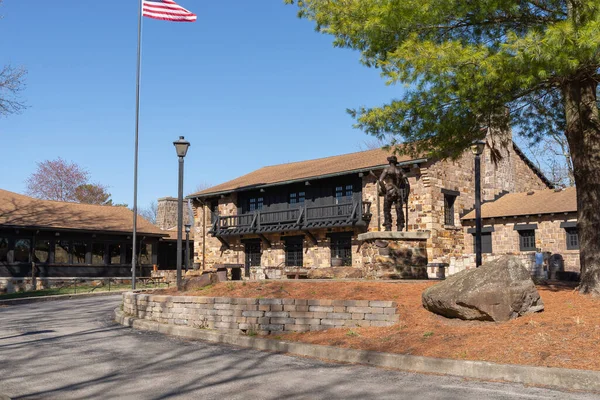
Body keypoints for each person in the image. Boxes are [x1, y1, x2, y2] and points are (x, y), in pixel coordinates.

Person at [378, 156, 410, 231]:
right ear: (396, 163)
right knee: (399, 209)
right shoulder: (400, 170)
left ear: (389, 162)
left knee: (386, 209)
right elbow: (407, 183)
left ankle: (388, 226)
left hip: (389, 191)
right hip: (398, 191)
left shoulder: (387, 169)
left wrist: (384, 189)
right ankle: (400, 225)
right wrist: (406, 195)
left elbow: (380, 180)